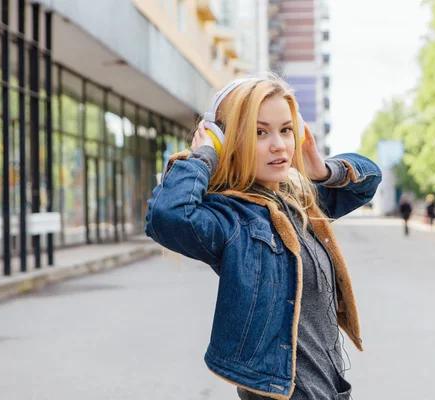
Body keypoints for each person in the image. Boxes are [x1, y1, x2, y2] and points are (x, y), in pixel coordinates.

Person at [144, 73, 382, 400]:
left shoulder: (298, 200)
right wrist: (203, 156)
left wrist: (323, 170)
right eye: (259, 132)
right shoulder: (233, 218)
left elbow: (369, 180)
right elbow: (168, 216)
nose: (279, 145)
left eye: (286, 130)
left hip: (330, 391)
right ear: (227, 141)